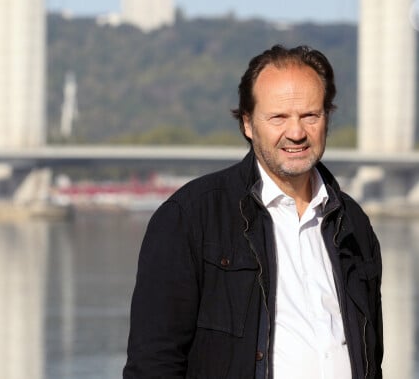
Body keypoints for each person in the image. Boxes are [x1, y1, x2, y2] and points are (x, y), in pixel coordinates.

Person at [123, 44, 383, 379]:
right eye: (278, 117)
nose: (296, 132)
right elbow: (153, 365)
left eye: (310, 115)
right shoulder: (189, 218)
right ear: (248, 124)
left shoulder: (353, 223)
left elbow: (370, 355)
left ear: (327, 118)